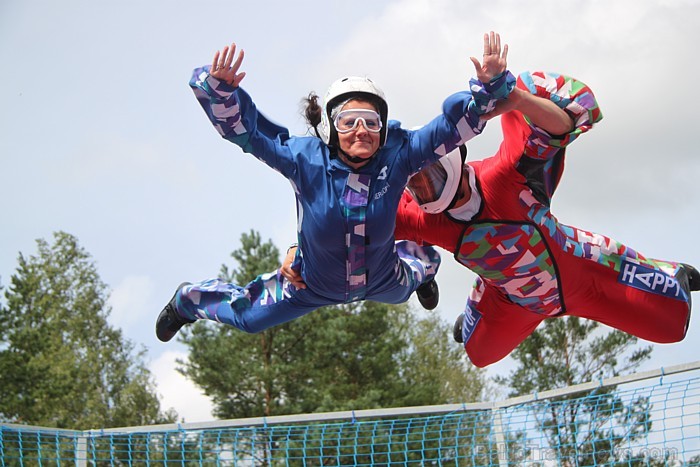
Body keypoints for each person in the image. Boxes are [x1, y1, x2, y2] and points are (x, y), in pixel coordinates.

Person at [283, 71, 699, 367]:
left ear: (450, 160)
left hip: (578, 271)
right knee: (477, 356)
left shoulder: (506, 174)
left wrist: (517, 100)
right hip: (513, 300)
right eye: (413, 185)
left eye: (426, 177)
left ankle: (666, 271)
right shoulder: (423, 218)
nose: (422, 192)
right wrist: (295, 252)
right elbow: (340, 220)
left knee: (670, 323)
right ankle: (442, 284)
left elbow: (561, 126)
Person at [155, 32, 516, 342]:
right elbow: (248, 134)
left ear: (383, 127)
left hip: (383, 279)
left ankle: (425, 268)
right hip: (309, 284)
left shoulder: (399, 154)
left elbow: (452, 130)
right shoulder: (303, 158)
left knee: (409, 281)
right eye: (348, 121)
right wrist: (220, 93)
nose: (361, 130)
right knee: (248, 319)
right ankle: (190, 300)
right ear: (329, 127)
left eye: (372, 122)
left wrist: (488, 91)